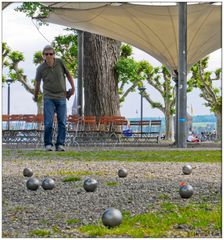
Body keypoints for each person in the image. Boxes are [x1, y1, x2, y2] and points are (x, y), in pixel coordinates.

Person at [33, 45, 75, 151]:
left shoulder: (60, 62)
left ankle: (60, 144)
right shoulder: (40, 68)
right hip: (48, 97)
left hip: (61, 96)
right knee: (48, 123)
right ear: (43, 56)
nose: (49, 56)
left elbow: (69, 75)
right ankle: (48, 144)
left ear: (54, 55)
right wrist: (36, 95)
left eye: (51, 54)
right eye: (46, 54)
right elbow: (37, 83)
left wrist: (73, 88)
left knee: (62, 122)